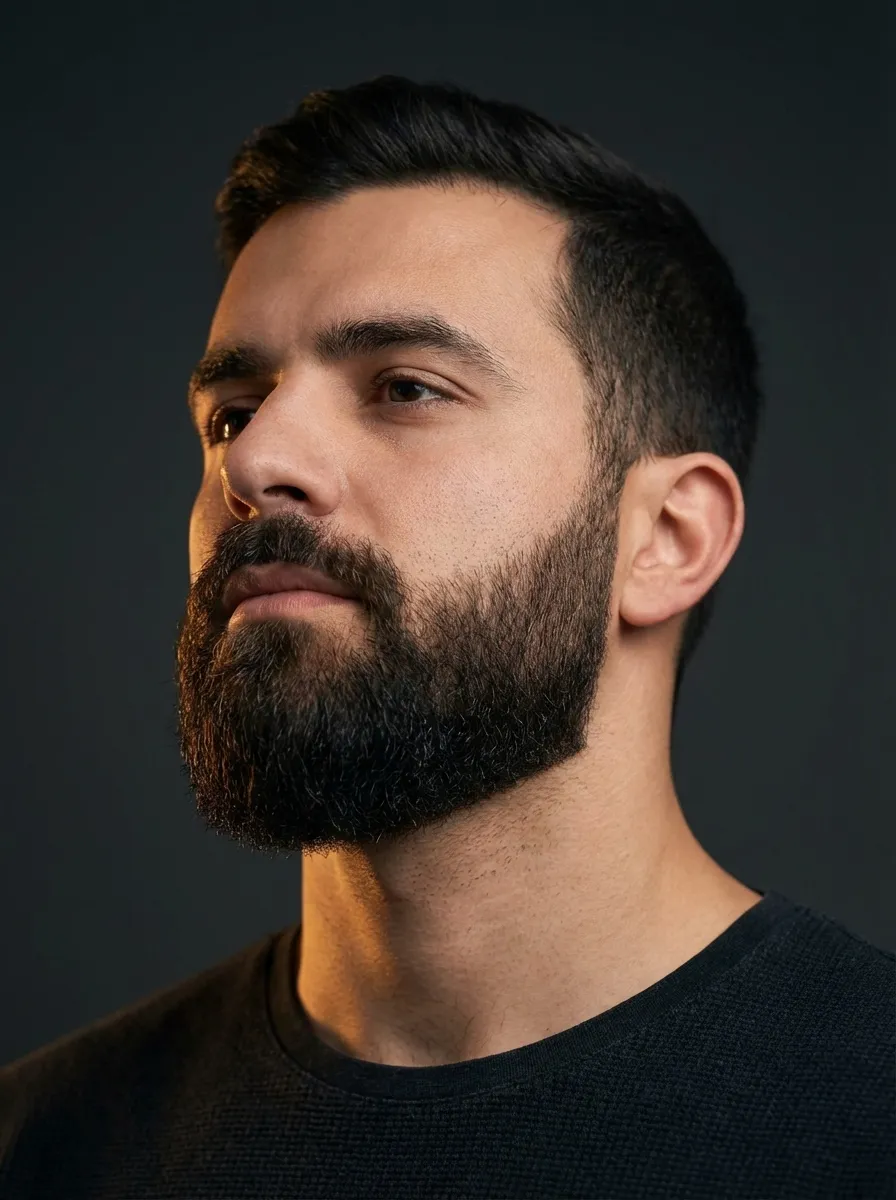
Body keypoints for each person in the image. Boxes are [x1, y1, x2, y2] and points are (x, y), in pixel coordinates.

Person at [1, 74, 892, 1200]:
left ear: (665, 536)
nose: (254, 460)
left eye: (405, 389)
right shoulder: (39, 1149)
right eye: (231, 411)